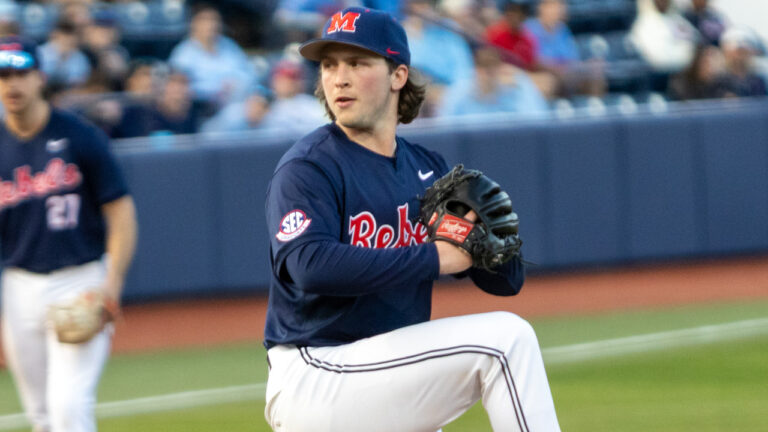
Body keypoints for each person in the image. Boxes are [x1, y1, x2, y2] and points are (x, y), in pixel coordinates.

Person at [263, 7, 561, 432]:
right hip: (318, 372)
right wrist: (438, 258)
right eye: (329, 65)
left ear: (398, 76)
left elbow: (505, 283)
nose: (338, 77)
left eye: (357, 63)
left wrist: (489, 248)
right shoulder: (309, 167)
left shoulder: (426, 170)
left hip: (388, 372)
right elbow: (310, 267)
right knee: (505, 343)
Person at [0, 36, 137, 432]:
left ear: (39, 77)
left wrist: (111, 284)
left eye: (21, 73)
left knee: (69, 408)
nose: (12, 84)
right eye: (4, 75)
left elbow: (121, 211)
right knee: (42, 416)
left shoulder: (79, 136)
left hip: (80, 280)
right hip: (18, 285)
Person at [168, 4, 256, 109]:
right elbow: (179, 89)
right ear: (194, 24)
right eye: (206, 20)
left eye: (215, 20)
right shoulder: (183, 53)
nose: (211, 25)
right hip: (200, 108)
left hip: (236, 102)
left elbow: (249, 74)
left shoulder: (229, 46)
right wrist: (217, 89)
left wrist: (237, 85)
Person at [438, 45, 549, 118]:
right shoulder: (459, 91)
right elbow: (443, 125)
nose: (487, 77)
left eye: (492, 71)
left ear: (499, 70)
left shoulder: (516, 88)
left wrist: (521, 86)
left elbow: (538, 120)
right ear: (476, 71)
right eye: (484, 71)